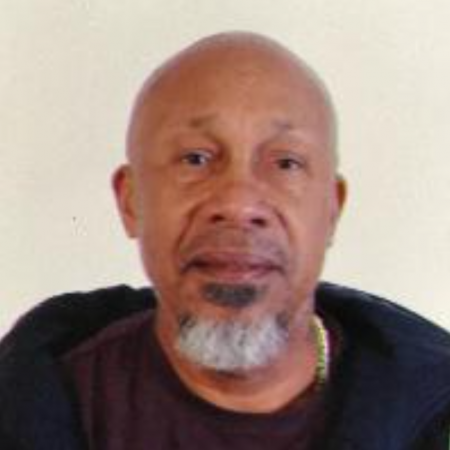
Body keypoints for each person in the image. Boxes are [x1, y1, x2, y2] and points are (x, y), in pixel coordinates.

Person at [1, 31, 449, 450]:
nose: (238, 203)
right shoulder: (33, 402)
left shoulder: (432, 416)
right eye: (195, 159)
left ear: (332, 209)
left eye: (286, 163)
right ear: (131, 200)